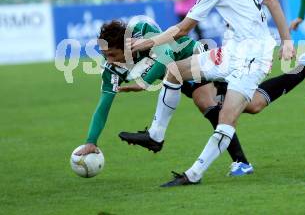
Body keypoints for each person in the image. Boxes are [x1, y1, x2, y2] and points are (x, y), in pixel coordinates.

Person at [126, 0, 295, 186]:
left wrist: (147, 43)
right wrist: (287, 41)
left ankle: (193, 175)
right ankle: (155, 135)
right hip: (232, 52)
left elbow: (182, 29)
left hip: (253, 58)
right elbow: (271, 0)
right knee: (175, 71)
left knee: (228, 118)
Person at [74, 19, 255, 177]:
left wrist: (144, 82)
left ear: (127, 47)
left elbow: (166, 55)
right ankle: (242, 162)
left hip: (195, 57)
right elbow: (103, 106)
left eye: (113, 55)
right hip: (176, 78)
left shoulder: (142, 30)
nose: (109, 60)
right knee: (239, 105)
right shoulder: (112, 69)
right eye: (105, 55)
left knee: (243, 104)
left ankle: (241, 162)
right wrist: (91, 140)